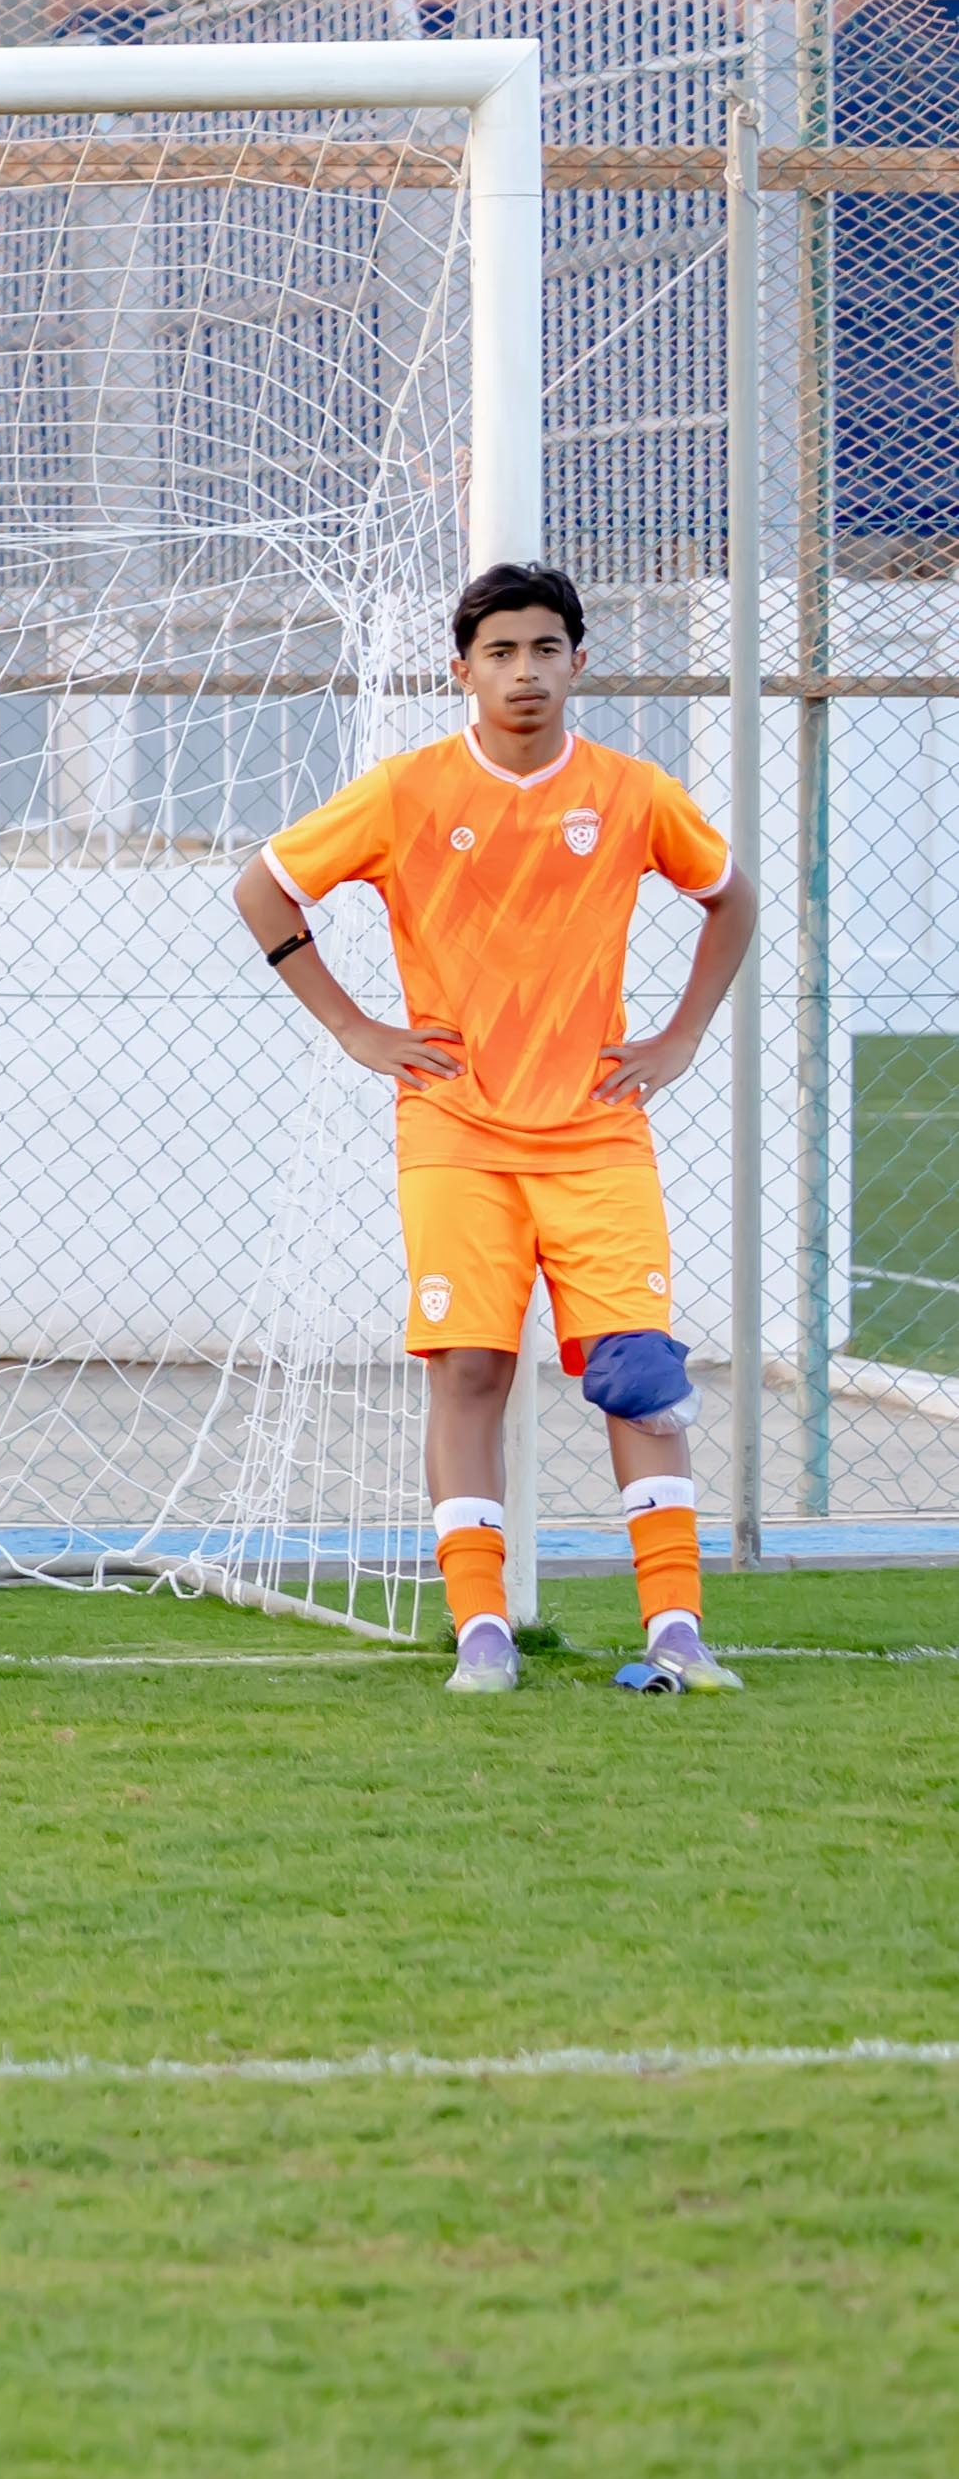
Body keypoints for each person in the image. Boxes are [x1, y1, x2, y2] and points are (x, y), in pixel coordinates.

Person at [238, 561, 754, 1697]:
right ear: (461, 670)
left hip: (595, 1131)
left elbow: (731, 897)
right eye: (500, 653)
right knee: (468, 1368)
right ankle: (480, 1633)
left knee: (637, 1373)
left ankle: (676, 1631)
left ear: (579, 660)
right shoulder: (405, 791)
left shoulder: (629, 791)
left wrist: (677, 1037)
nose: (524, 673)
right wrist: (354, 1029)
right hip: (454, 1130)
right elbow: (264, 888)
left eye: (544, 650)